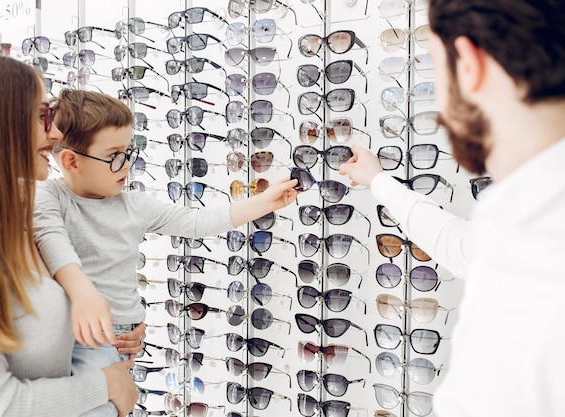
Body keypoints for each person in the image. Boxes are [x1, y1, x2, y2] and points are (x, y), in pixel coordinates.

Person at [339, 1, 565, 416]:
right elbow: (462, 246)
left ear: (468, 66)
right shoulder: (526, 222)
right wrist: (379, 181)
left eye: (434, 65)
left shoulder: (538, 277)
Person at [33, 89, 299, 417]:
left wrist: (264, 202)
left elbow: (197, 221)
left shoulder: (135, 205)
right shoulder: (49, 197)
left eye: (129, 151)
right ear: (71, 162)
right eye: (114, 155)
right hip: (81, 334)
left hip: (122, 334)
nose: (126, 164)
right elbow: (52, 243)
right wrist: (84, 296)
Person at [0, 52, 145, 417]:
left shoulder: (18, 217)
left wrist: (117, 325)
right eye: (41, 116)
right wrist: (108, 384)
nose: (57, 132)